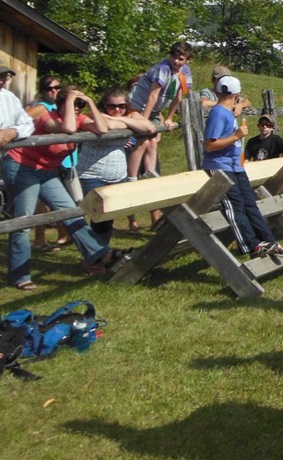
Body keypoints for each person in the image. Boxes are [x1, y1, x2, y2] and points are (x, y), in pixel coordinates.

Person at [4, 85, 130, 290]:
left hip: (47, 172)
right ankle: (20, 275)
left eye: (81, 104)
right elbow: (68, 129)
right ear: (62, 104)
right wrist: (70, 99)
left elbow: (102, 128)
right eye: (75, 104)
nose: (79, 108)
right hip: (23, 167)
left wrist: (89, 102)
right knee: (24, 221)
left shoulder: (79, 118)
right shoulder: (48, 117)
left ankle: (99, 255)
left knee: (71, 212)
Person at [203, 76, 283, 260]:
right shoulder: (218, 113)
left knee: (250, 203)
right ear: (237, 94)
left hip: (236, 166)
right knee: (236, 206)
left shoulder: (227, 111)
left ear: (217, 91)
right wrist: (236, 136)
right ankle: (252, 245)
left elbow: (244, 103)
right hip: (220, 167)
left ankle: (269, 240)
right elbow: (209, 145)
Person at [76, 87, 156, 243]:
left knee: (108, 218)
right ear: (104, 104)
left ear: (127, 105)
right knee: (97, 215)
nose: (117, 109)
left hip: (117, 175)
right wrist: (128, 124)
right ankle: (96, 257)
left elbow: (148, 126)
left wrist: (123, 120)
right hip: (92, 173)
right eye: (111, 106)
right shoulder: (93, 115)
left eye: (121, 106)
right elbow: (109, 126)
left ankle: (101, 255)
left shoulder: (129, 115)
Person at [128, 41, 193, 230]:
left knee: (153, 142)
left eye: (180, 59)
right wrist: (145, 121)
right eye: (174, 57)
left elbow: (180, 96)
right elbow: (152, 96)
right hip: (139, 107)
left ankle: (150, 176)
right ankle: (132, 178)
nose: (176, 61)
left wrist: (170, 118)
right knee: (143, 140)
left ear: (187, 60)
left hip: (156, 112)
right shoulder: (162, 69)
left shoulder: (185, 72)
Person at [24, 74, 71, 249]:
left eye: (58, 88)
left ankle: (62, 235)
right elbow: (23, 119)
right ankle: (41, 239)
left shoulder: (58, 105)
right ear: (42, 91)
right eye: (49, 88)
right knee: (46, 202)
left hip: (64, 159)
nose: (54, 91)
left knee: (60, 201)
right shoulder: (42, 107)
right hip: (46, 159)